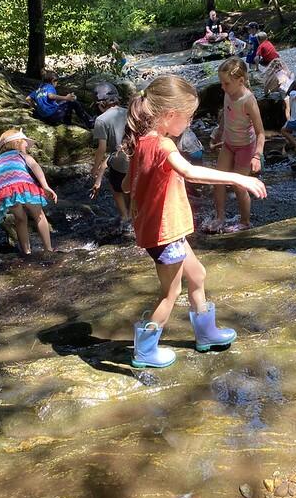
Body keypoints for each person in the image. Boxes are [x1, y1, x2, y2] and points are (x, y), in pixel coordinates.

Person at [121, 75, 266, 369]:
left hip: (164, 230)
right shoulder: (162, 146)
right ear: (170, 115)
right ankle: (145, 350)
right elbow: (190, 173)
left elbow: (126, 185)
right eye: (187, 117)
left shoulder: (142, 142)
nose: (188, 123)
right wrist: (237, 177)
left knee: (197, 275)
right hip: (164, 234)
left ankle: (206, 333)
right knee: (169, 294)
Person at [204, 57, 266, 233]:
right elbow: (226, 113)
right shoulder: (228, 93)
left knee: (240, 186)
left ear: (240, 81)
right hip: (229, 143)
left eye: (226, 84)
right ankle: (220, 217)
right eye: (221, 83)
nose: (222, 87)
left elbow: (261, 132)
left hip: (246, 147)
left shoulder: (248, 100)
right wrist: (218, 133)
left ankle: (245, 222)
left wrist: (257, 155)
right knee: (218, 180)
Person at [90, 82, 131, 232]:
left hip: (119, 160)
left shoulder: (101, 120)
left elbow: (101, 148)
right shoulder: (128, 111)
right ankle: (133, 215)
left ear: (100, 104)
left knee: (117, 189)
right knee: (130, 187)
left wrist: (95, 169)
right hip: (135, 157)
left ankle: (125, 217)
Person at [26, 71, 93, 129]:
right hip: (53, 116)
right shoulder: (49, 86)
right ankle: (90, 123)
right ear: (53, 81)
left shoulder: (38, 90)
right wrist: (66, 98)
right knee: (73, 103)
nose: (56, 84)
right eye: (57, 82)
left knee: (65, 104)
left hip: (43, 117)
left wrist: (36, 108)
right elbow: (51, 96)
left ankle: (67, 123)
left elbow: (28, 99)